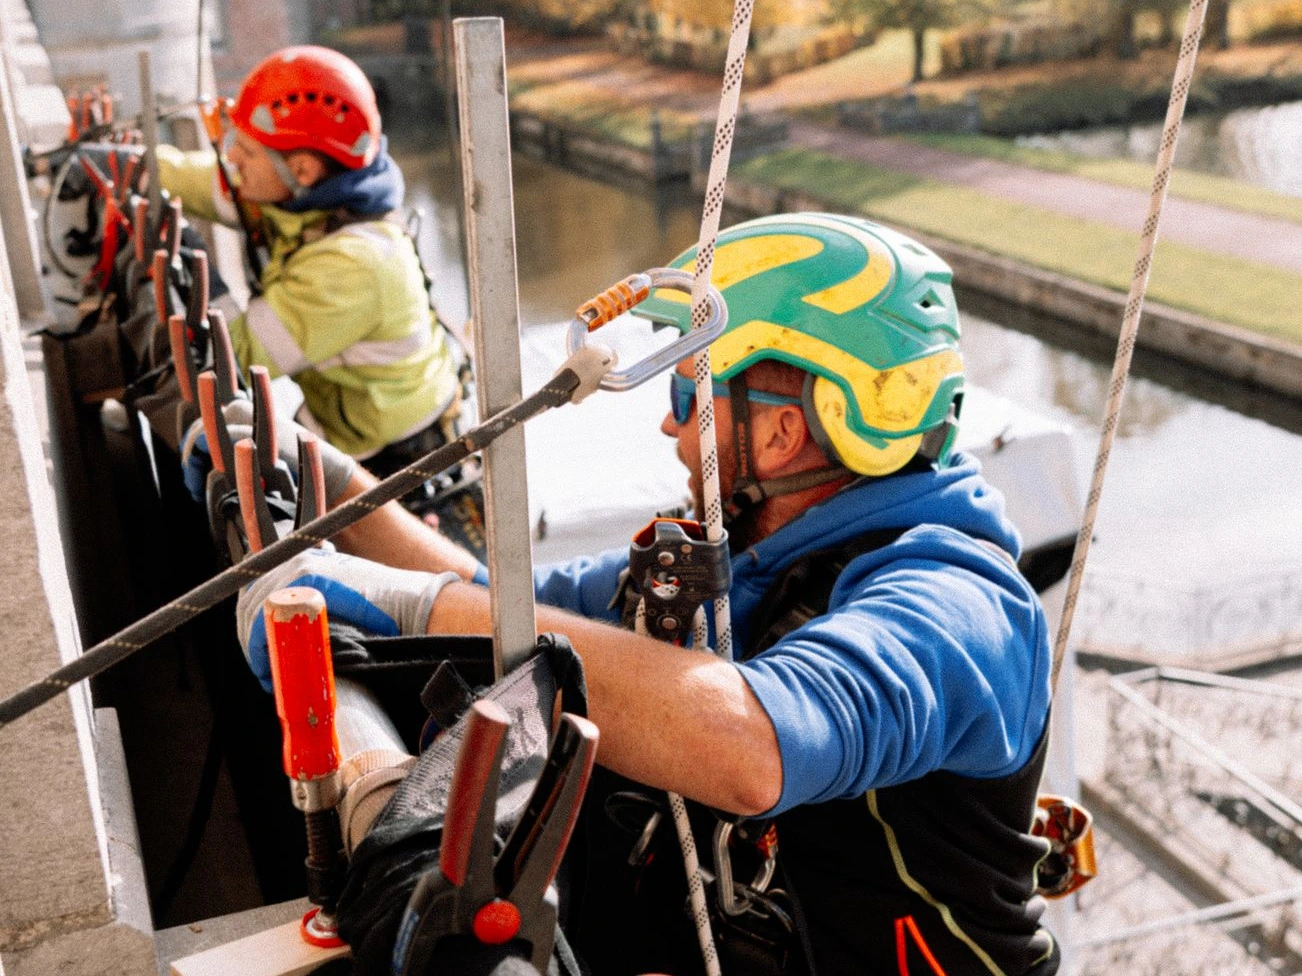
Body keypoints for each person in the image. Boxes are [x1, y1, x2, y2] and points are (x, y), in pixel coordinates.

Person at [236, 213, 1060, 975]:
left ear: (784, 430)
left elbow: (755, 747)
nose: (672, 427)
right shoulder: (743, 558)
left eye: (690, 392)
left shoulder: (958, 607)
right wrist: (333, 493)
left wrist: (415, 609)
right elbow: (503, 605)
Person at [158, 45, 466, 467]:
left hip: (389, 454)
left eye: (246, 151)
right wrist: (131, 166)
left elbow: (235, 356)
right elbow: (199, 183)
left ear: (302, 170)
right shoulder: (298, 199)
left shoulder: (352, 266)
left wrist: (198, 268)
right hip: (339, 417)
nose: (231, 158)